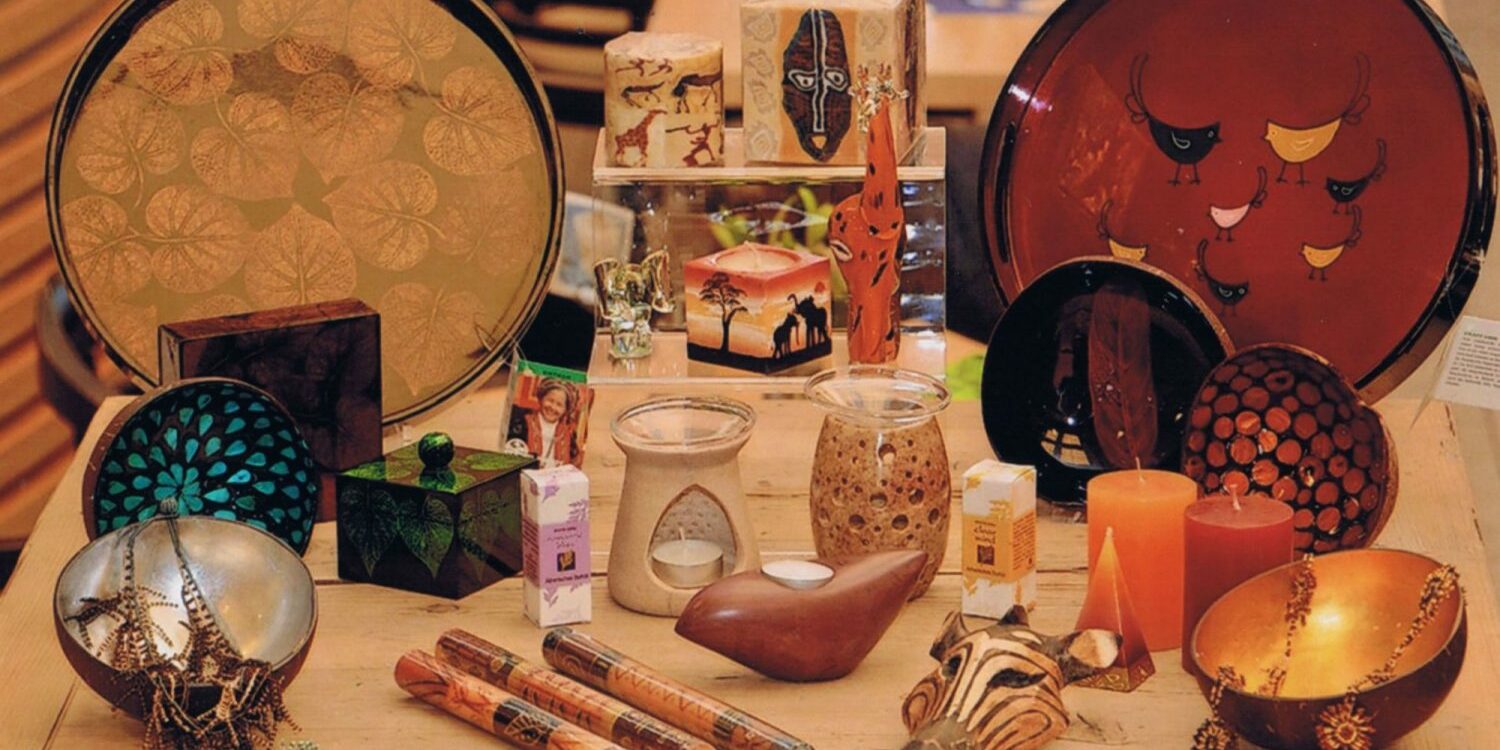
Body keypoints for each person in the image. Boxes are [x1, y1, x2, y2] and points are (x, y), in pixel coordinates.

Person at [506, 378, 582, 468]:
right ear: (541, 399)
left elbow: (573, 467)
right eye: (550, 400)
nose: (553, 407)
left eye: (559, 405)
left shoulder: (568, 435)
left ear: (565, 410)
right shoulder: (521, 424)